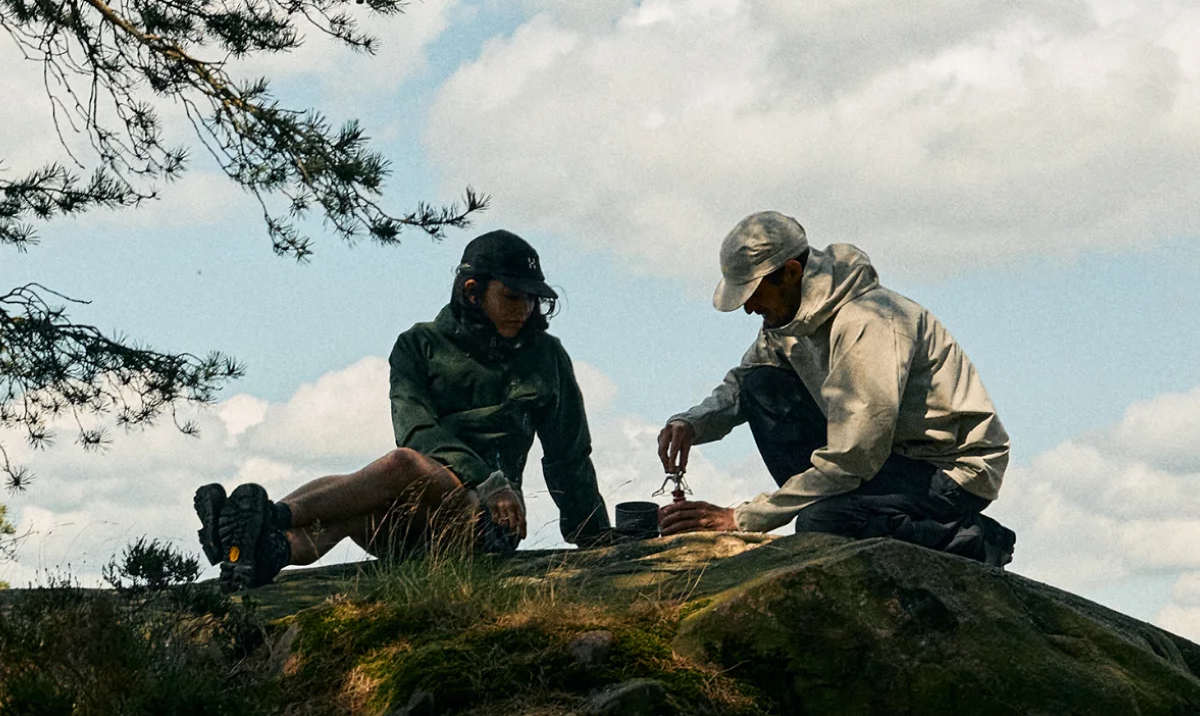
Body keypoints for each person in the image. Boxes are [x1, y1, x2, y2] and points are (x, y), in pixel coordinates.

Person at [195, 229, 610, 586]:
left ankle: (267, 516)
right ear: (472, 291)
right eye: (513, 297)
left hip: (484, 525)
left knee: (399, 465)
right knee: (358, 505)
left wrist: (594, 536)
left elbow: (569, 456)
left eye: (533, 300)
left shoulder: (547, 356)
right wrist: (488, 477)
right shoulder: (417, 346)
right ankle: (262, 552)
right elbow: (416, 431)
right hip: (413, 526)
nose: (525, 310)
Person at [656, 209, 1014, 562]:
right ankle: (854, 508)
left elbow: (855, 456)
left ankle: (974, 540)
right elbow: (744, 382)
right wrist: (691, 423)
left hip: (948, 472)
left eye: (753, 292)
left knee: (823, 521)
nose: (749, 308)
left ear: (791, 273)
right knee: (761, 386)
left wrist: (741, 518)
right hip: (884, 460)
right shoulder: (787, 319)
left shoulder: (868, 321)